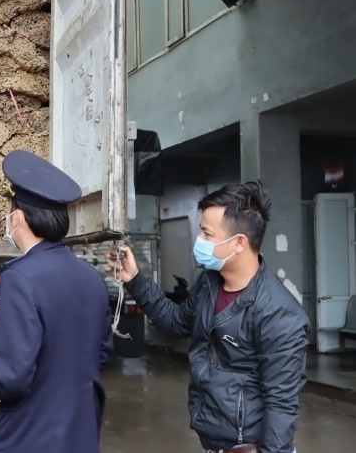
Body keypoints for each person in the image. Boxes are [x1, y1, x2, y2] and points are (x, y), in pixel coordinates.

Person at [107, 181, 309, 453]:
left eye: (206, 233)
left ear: (239, 243)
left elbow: (281, 404)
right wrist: (135, 280)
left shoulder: (278, 312)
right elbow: (176, 322)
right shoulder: (209, 283)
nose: (199, 241)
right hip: (213, 441)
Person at [0, 149, 114, 453]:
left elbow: (10, 376)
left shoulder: (20, 277)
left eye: (8, 211)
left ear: (17, 218)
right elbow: (102, 353)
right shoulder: (90, 277)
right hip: (80, 432)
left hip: (32, 434)